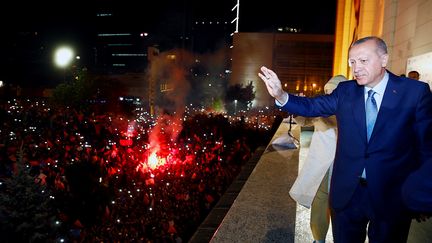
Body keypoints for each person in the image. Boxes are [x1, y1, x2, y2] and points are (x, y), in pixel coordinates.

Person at [258, 36, 432, 243]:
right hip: (347, 195)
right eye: (352, 62)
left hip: (392, 196)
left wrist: (423, 195)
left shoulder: (415, 92)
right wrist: (281, 95)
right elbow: (312, 107)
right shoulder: (345, 91)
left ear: (384, 59)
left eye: (363, 60)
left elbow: (426, 149)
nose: (356, 67)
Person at [289, 75, 347, 243]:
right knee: (320, 201)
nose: (329, 95)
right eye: (327, 92)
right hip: (323, 162)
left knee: (337, 204)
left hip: (340, 164)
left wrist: (305, 108)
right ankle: (318, 238)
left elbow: (327, 119)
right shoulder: (325, 109)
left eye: (332, 92)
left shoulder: (342, 109)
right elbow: (305, 120)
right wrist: (297, 107)